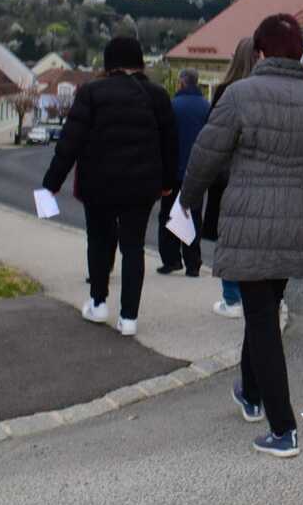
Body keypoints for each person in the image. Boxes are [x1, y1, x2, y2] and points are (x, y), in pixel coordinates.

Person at [179, 13, 303, 458]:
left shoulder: (239, 95)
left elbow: (205, 155)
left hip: (248, 226)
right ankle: (250, 393)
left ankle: (283, 428)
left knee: (262, 320)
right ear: (299, 54)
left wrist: (186, 202)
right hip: (293, 227)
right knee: (263, 312)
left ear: (259, 53)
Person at [42, 36, 177, 338]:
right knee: (133, 248)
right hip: (141, 186)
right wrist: (168, 183)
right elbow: (170, 144)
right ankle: (129, 318)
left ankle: (99, 302)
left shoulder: (92, 93)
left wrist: (51, 183)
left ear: (109, 63)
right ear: (139, 63)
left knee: (99, 241)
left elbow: (70, 142)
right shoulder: (157, 96)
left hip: (98, 184)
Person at [201, 37, 258, 318]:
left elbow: (213, 138)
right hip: (257, 177)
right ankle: (256, 297)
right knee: (253, 240)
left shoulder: (226, 91)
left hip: (227, 178)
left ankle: (232, 298)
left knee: (228, 239)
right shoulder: (265, 92)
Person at [156, 68, 210, 277]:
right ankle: (193, 263)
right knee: (193, 216)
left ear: (181, 83)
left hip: (174, 171)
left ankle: (171, 260)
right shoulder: (206, 107)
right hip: (197, 172)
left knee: (169, 216)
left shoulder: (172, 106)